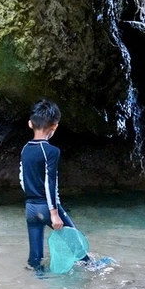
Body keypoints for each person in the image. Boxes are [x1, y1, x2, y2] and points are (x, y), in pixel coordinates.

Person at [20, 99, 87, 271]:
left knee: (35, 258)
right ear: (54, 126)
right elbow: (50, 183)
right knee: (75, 242)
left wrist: (31, 198)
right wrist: (54, 213)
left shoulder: (25, 149)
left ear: (30, 124)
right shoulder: (51, 151)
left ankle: (36, 277)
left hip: (30, 208)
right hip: (46, 207)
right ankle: (92, 267)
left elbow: (22, 177)